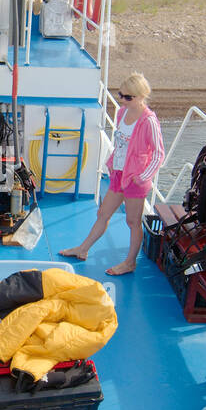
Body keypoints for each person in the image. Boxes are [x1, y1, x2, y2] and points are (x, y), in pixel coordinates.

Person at [60, 72, 164, 274]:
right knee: (103, 213)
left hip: (135, 179)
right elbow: (121, 144)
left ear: (141, 96)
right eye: (120, 95)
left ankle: (130, 263)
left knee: (132, 222)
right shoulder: (121, 113)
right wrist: (113, 162)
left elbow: (159, 154)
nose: (122, 100)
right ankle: (83, 249)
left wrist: (142, 177)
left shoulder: (148, 121)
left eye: (127, 97)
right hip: (119, 174)